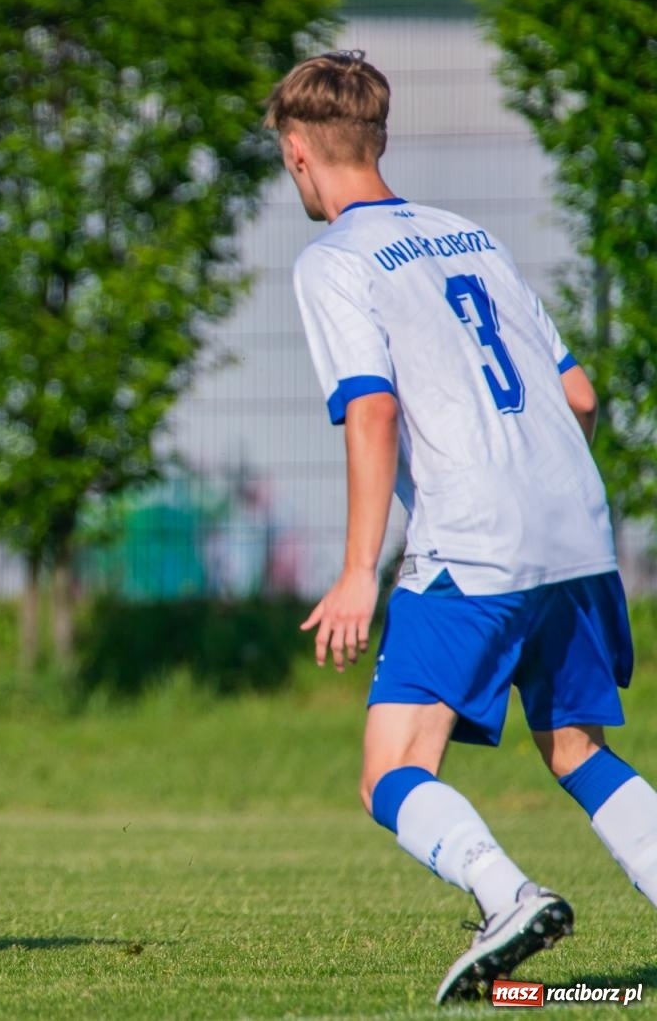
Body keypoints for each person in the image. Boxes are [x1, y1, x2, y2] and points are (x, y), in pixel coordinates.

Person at [268, 51, 657, 1004]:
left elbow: (373, 412)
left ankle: (506, 895)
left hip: (473, 536)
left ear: (295, 154)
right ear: (380, 139)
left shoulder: (335, 262)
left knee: (391, 768)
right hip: (574, 523)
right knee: (575, 746)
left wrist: (361, 569)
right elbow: (580, 394)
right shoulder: (470, 236)